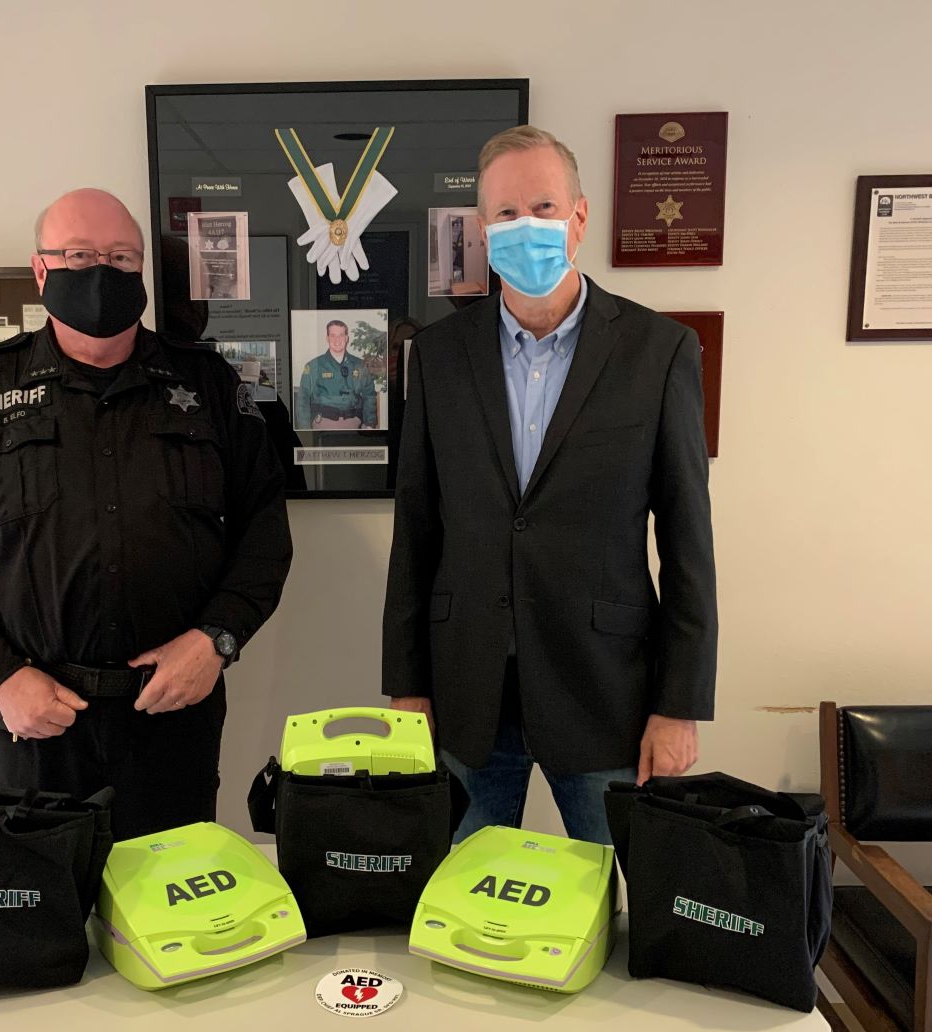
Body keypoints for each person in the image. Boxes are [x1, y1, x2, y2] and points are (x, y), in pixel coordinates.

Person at [0, 188, 292, 840]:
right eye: (80, 255)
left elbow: (264, 533)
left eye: (120, 258)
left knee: (174, 917)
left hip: (173, 712)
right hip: (39, 717)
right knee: (47, 922)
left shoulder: (211, 388)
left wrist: (217, 641)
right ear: (41, 270)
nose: (102, 274)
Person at [382, 127, 717, 845]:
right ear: (482, 229)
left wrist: (679, 703)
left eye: (542, 206)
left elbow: (689, 541)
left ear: (580, 217)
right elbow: (415, 529)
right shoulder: (437, 358)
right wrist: (405, 688)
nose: (524, 226)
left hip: (606, 693)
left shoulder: (658, 352)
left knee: (618, 911)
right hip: (466, 691)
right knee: (459, 909)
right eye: (505, 214)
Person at [294, 319, 378, 430]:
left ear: (346, 338)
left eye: (341, 335)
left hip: (353, 423)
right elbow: (302, 399)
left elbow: (369, 395)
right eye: (333, 335)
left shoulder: (360, 365)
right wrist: (304, 430)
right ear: (327, 338)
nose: (337, 340)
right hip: (323, 423)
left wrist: (369, 424)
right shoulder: (314, 366)